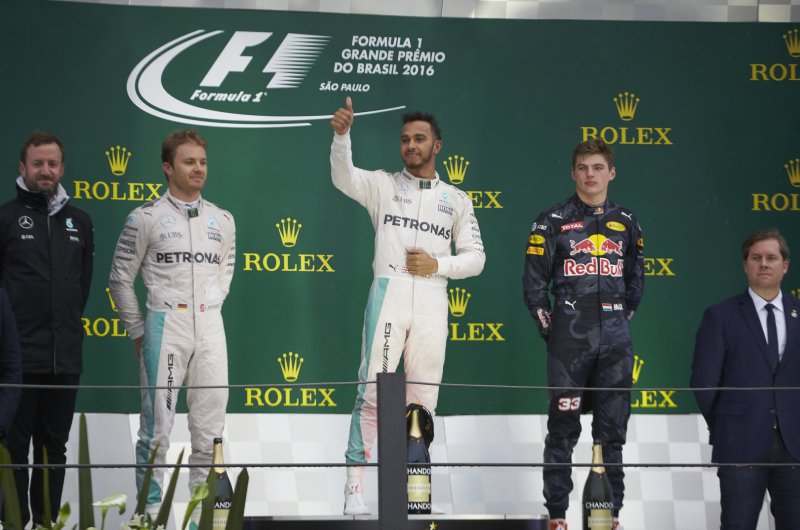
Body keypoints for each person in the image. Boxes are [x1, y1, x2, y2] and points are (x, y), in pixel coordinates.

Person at [330, 97, 485, 515]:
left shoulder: (456, 199)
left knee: (421, 401)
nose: (411, 145)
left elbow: (476, 258)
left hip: (433, 300)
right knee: (372, 394)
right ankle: (354, 489)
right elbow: (344, 177)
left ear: (437, 146)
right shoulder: (383, 185)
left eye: (419, 139)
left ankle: (415, 492)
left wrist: (439, 265)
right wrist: (342, 137)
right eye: (405, 139)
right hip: (389, 296)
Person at [108, 129, 236, 520]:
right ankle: (150, 516)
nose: (198, 168)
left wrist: (208, 306)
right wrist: (137, 330)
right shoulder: (145, 218)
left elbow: (225, 272)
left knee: (210, 430)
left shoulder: (223, 219)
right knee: (157, 431)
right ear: (168, 167)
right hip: (166, 325)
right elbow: (119, 279)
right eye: (188, 161)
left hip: (210, 326)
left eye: (202, 162)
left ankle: (203, 517)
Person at [522, 138, 644, 530]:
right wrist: (557, 332)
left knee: (612, 434)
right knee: (562, 429)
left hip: (615, 344)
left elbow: (635, 284)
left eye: (598, 167)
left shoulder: (627, 221)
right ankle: (557, 515)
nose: (590, 174)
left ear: (612, 172)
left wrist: (615, 322)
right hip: (569, 343)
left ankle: (610, 515)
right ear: (573, 173)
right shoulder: (551, 220)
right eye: (583, 168)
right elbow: (534, 288)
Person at [0, 131, 94, 526]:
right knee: (13, 448)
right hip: (17, 360)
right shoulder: (5, 218)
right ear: (22, 168)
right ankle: (14, 523)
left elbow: (81, 287)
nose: (45, 170)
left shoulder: (80, 222)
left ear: (62, 169)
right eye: (37, 163)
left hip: (64, 358)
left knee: (54, 450)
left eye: (52, 164)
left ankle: (47, 523)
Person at [691, 229, 800, 529]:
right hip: (739, 443)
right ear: (745, 265)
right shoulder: (720, 316)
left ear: (785, 266)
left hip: (795, 446)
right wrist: (728, 425)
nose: (764, 263)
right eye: (756, 258)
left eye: (771, 258)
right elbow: (704, 383)